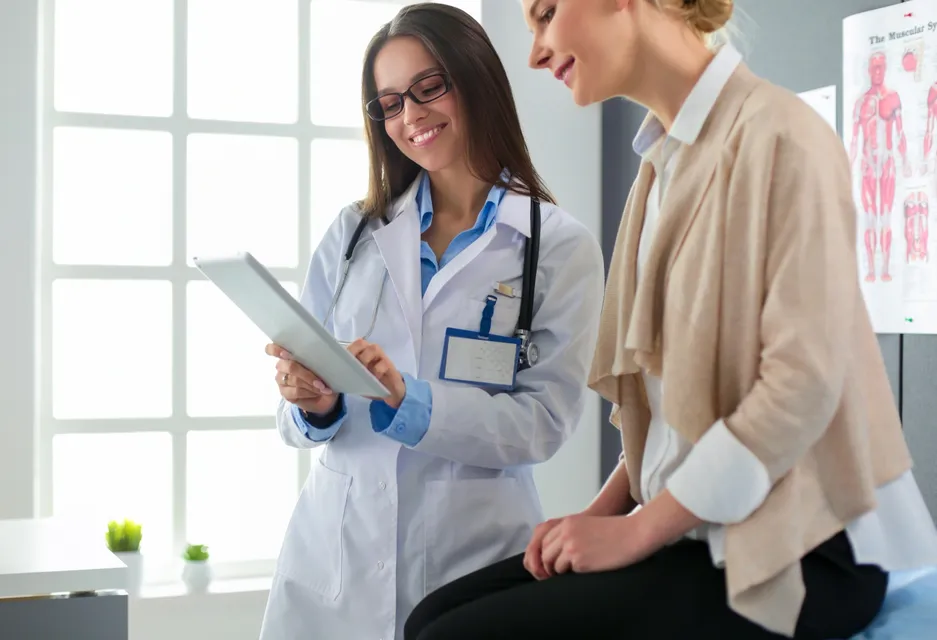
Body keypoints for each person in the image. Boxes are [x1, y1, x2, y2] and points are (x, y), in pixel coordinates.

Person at [404, 1, 937, 639]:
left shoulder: (780, 135)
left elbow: (800, 388)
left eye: (546, 13)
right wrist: (600, 515)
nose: (536, 53)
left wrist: (636, 534)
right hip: (699, 528)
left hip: (807, 547)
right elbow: (671, 413)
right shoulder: (660, 167)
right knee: (429, 618)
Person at [257, 4, 605, 640]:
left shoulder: (557, 247)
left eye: (429, 87)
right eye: (390, 103)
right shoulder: (353, 233)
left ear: (475, 78)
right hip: (334, 567)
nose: (411, 116)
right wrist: (313, 404)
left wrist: (408, 400)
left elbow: (543, 425)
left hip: (473, 562)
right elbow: (292, 418)